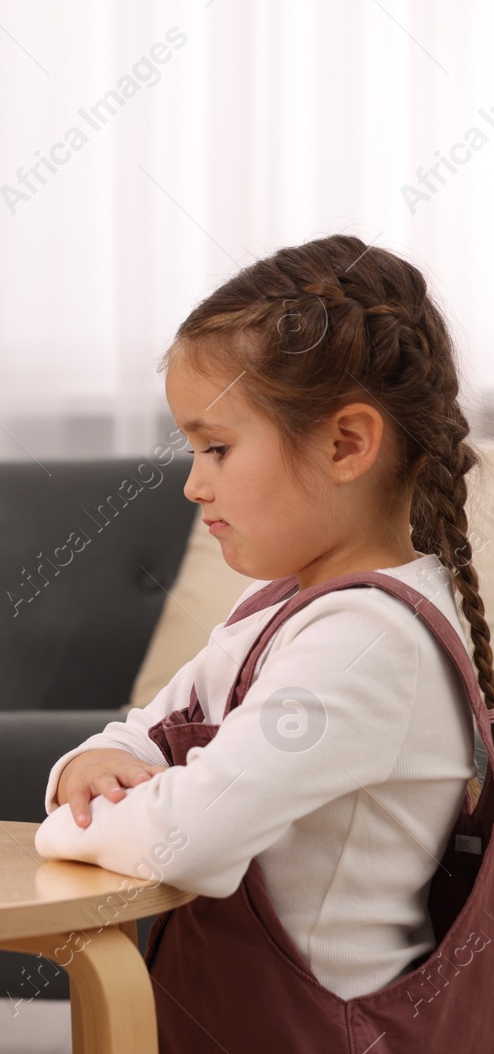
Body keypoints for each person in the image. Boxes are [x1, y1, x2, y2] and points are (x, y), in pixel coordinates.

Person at [38, 234, 494, 1049]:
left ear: (346, 444)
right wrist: (83, 768)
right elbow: (139, 729)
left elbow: (191, 837)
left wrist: (68, 823)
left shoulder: (365, 644)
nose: (192, 481)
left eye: (216, 446)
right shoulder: (276, 607)